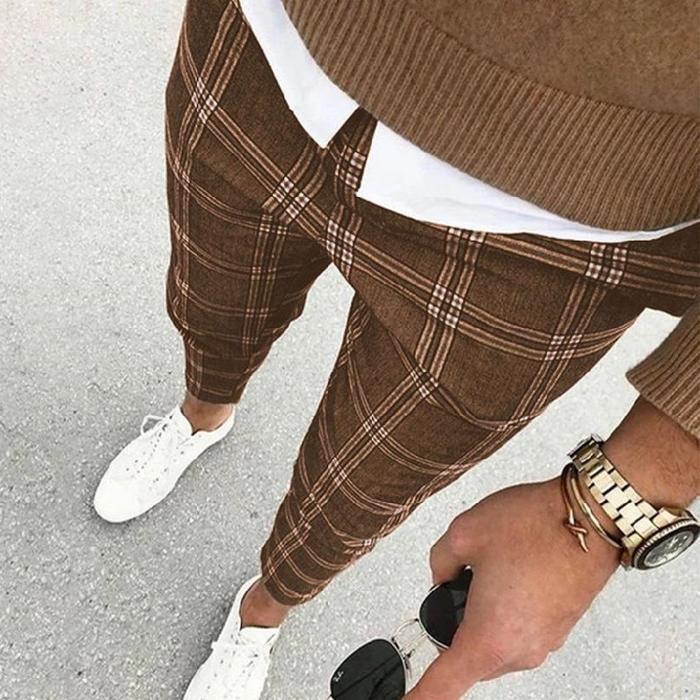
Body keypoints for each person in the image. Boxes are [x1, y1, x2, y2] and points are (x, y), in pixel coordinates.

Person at [94, 0, 700, 697]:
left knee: (355, 493)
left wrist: (617, 499)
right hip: (279, 46)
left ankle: (261, 613)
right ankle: (200, 418)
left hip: (571, 222)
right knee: (212, 306)